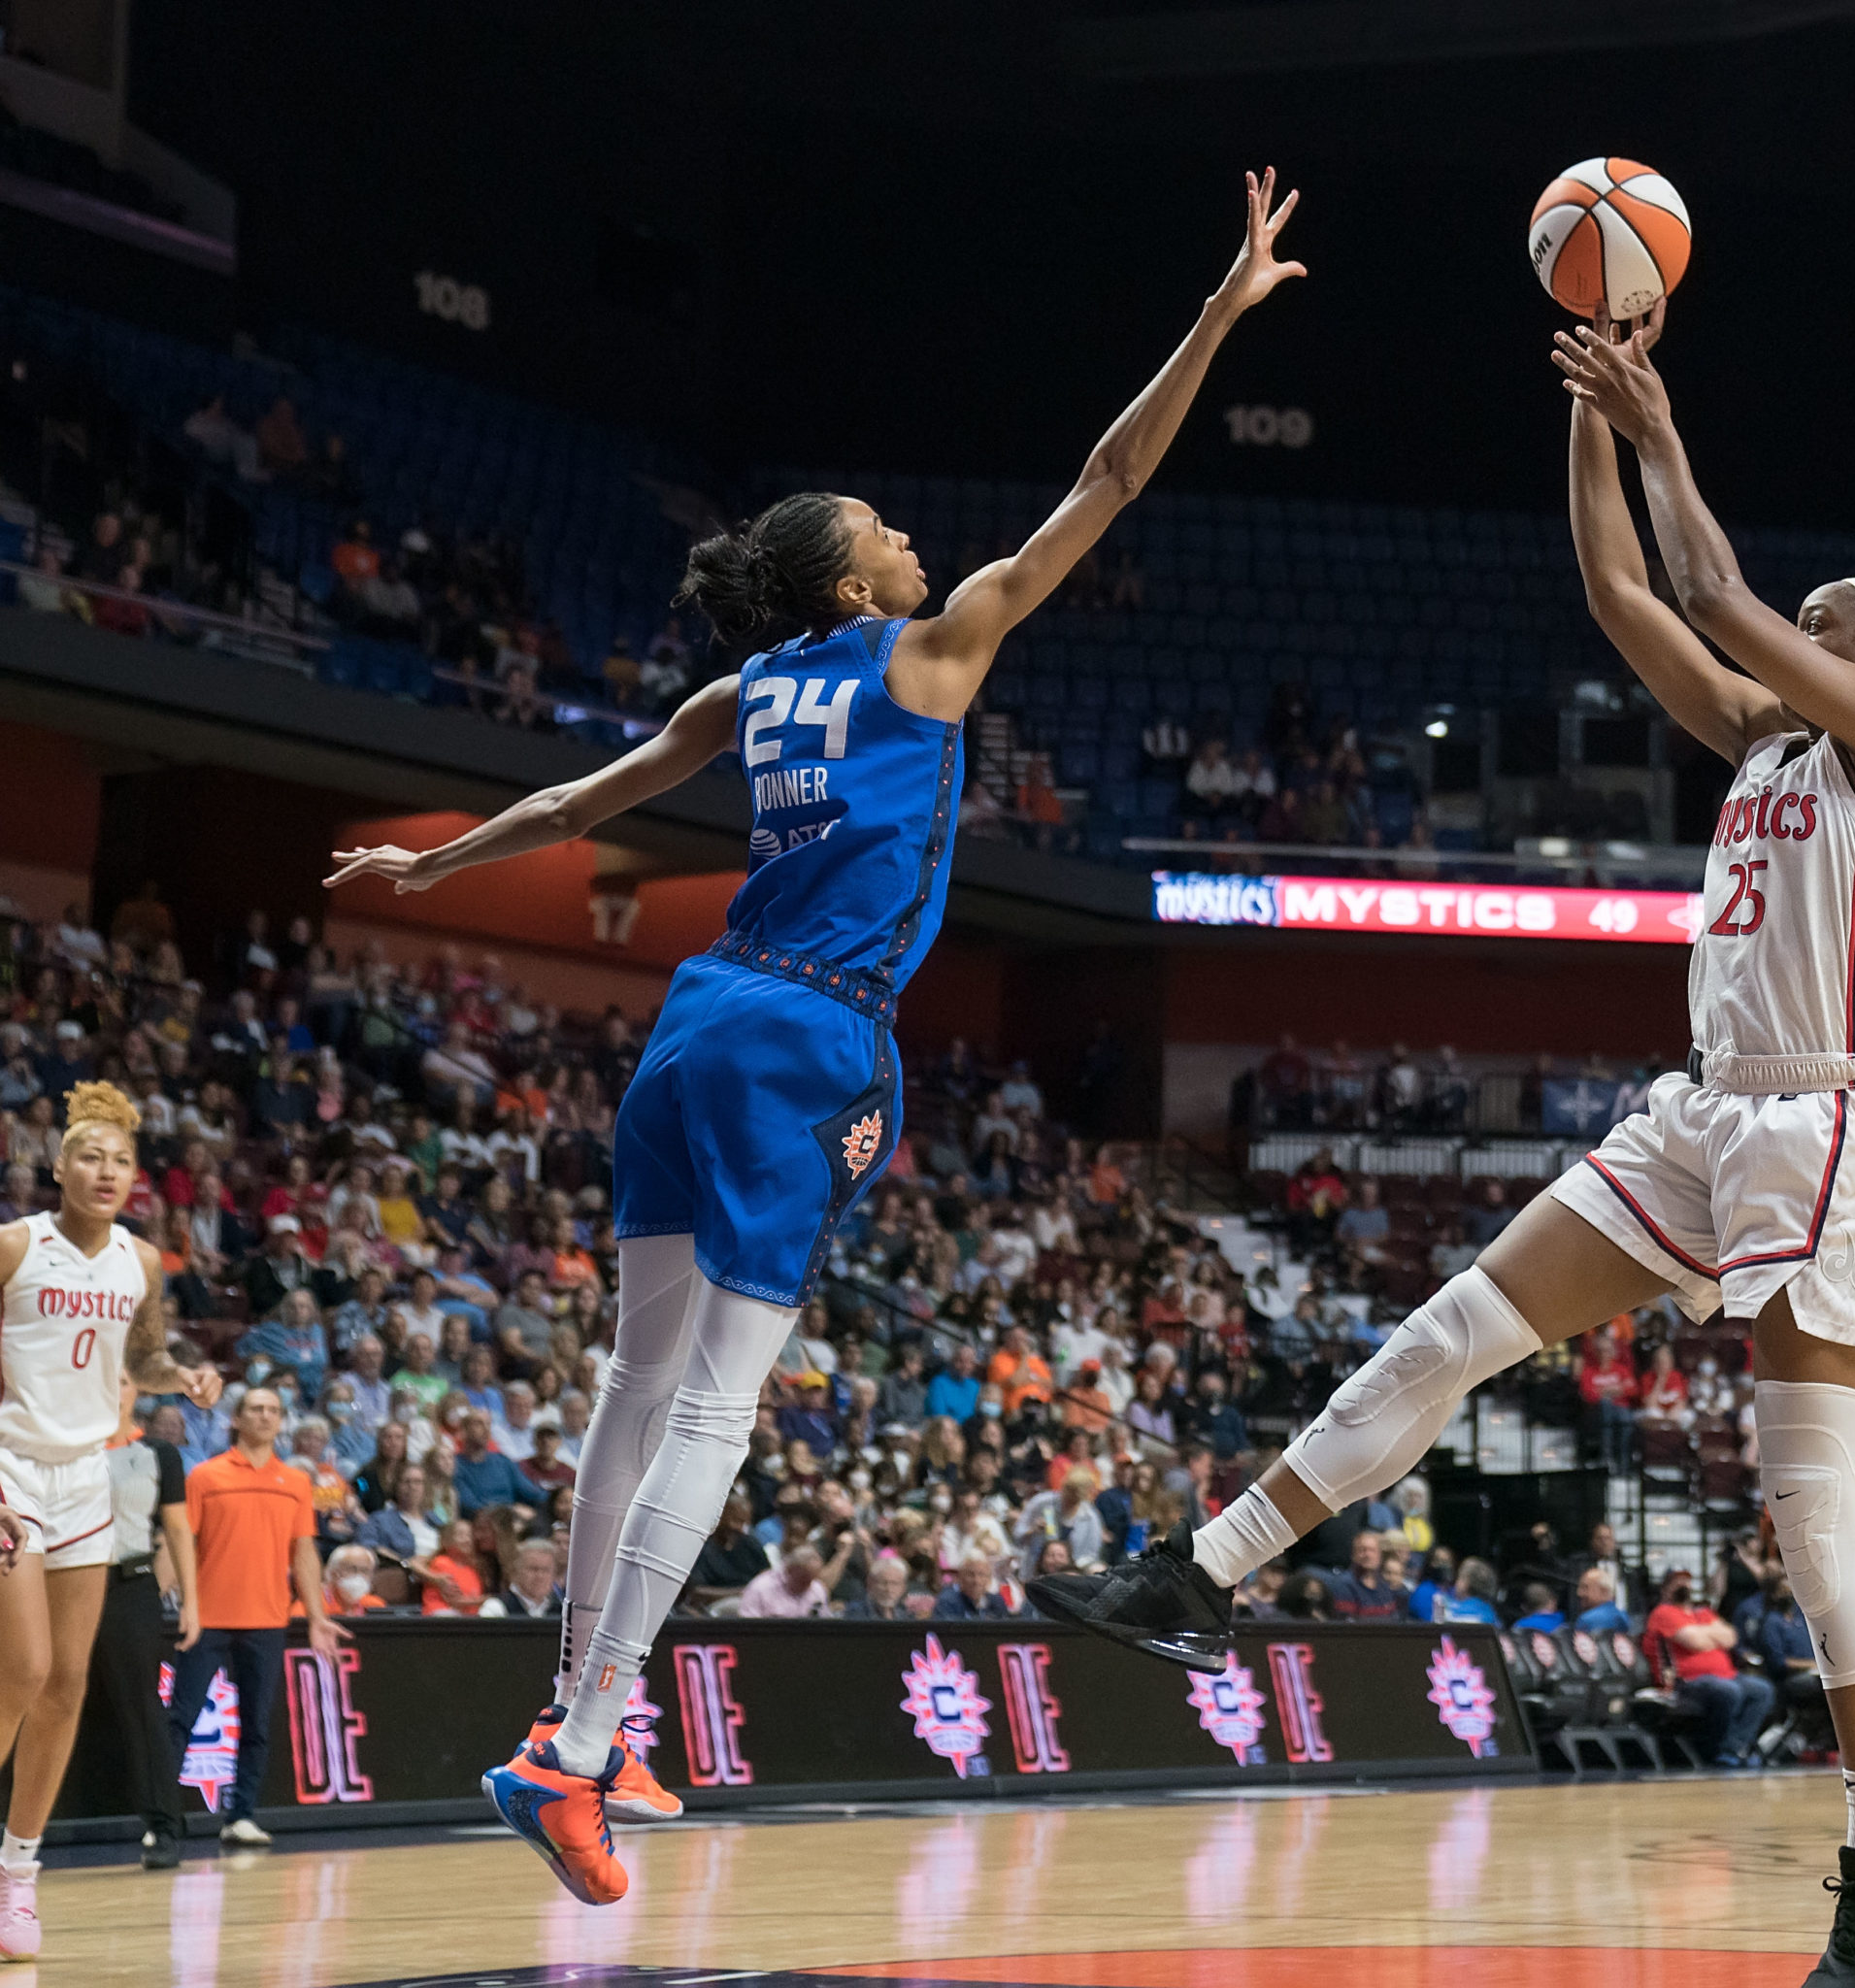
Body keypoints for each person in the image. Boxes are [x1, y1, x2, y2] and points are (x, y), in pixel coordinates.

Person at [321, 173, 1312, 1908]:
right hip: (811, 1032)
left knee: (632, 1384)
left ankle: (586, 1711)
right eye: (891, 531)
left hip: (694, 1015)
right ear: (851, 570)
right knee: (717, 1397)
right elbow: (1111, 480)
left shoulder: (747, 692)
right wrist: (1222, 312)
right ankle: (573, 1744)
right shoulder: (929, 652)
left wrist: (437, 853)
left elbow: (579, 792)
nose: (920, 544)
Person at [1033, 296, 1855, 1988]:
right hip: (1709, 1101)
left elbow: (1708, 586)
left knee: (1808, 1510)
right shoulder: (1765, 735)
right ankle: (1206, 1569)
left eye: (1833, 616)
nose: (1801, 616)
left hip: (1835, 1116)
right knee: (1453, 1329)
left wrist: (1657, 414)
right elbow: (1629, 594)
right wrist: (1587, 391)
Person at [0, 1083, 213, 1955]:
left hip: (89, 1476)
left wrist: (186, 1376)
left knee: (66, 1687)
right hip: (10, 1467)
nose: (105, 1171)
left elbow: (145, 1355)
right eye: (89, 1155)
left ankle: (17, 1878)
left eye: (120, 1160)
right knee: (23, 1667)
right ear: (57, 1166)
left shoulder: (141, 1262)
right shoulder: (15, 1247)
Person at [163, 1386, 349, 1853]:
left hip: (267, 1619)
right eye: (256, 1409)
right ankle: (161, 1821)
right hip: (207, 1618)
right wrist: (163, 1598)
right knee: (179, 1720)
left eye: (273, 1410)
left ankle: (240, 1816)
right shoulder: (206, 1476)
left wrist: (317, 1615)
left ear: (281, 1420)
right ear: (237, 1419)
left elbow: (303, 1551)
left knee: (257, 1726)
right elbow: (181, 1543)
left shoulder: (296, 1482)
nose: (265, 1417)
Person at [97, 1373, 198, 1870]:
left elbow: (178, 1530)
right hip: (65, 1582)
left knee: (142, 1706)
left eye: (121, 1380)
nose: (112, 1388)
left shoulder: (160, 1454)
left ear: (136, 1390)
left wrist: (191, 1605)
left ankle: (163, 1826)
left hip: (130, 1584)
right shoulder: (62, 1447)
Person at [1644, 1564, 1774, 1767]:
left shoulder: (1703, 1612)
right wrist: (1710, 1634)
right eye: (1676, 1580)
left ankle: (1733, 1748)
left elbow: (1731, 1637)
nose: (1683, 1584)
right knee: (1729, 1692)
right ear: (1665, 1587)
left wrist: (1702, 1633)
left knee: (1762, 1690)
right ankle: (1718, 1750)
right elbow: (1696, 1641)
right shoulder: (1663, 1612)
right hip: (1686, 1681)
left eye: (1686, 1579)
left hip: (1727, 1675)